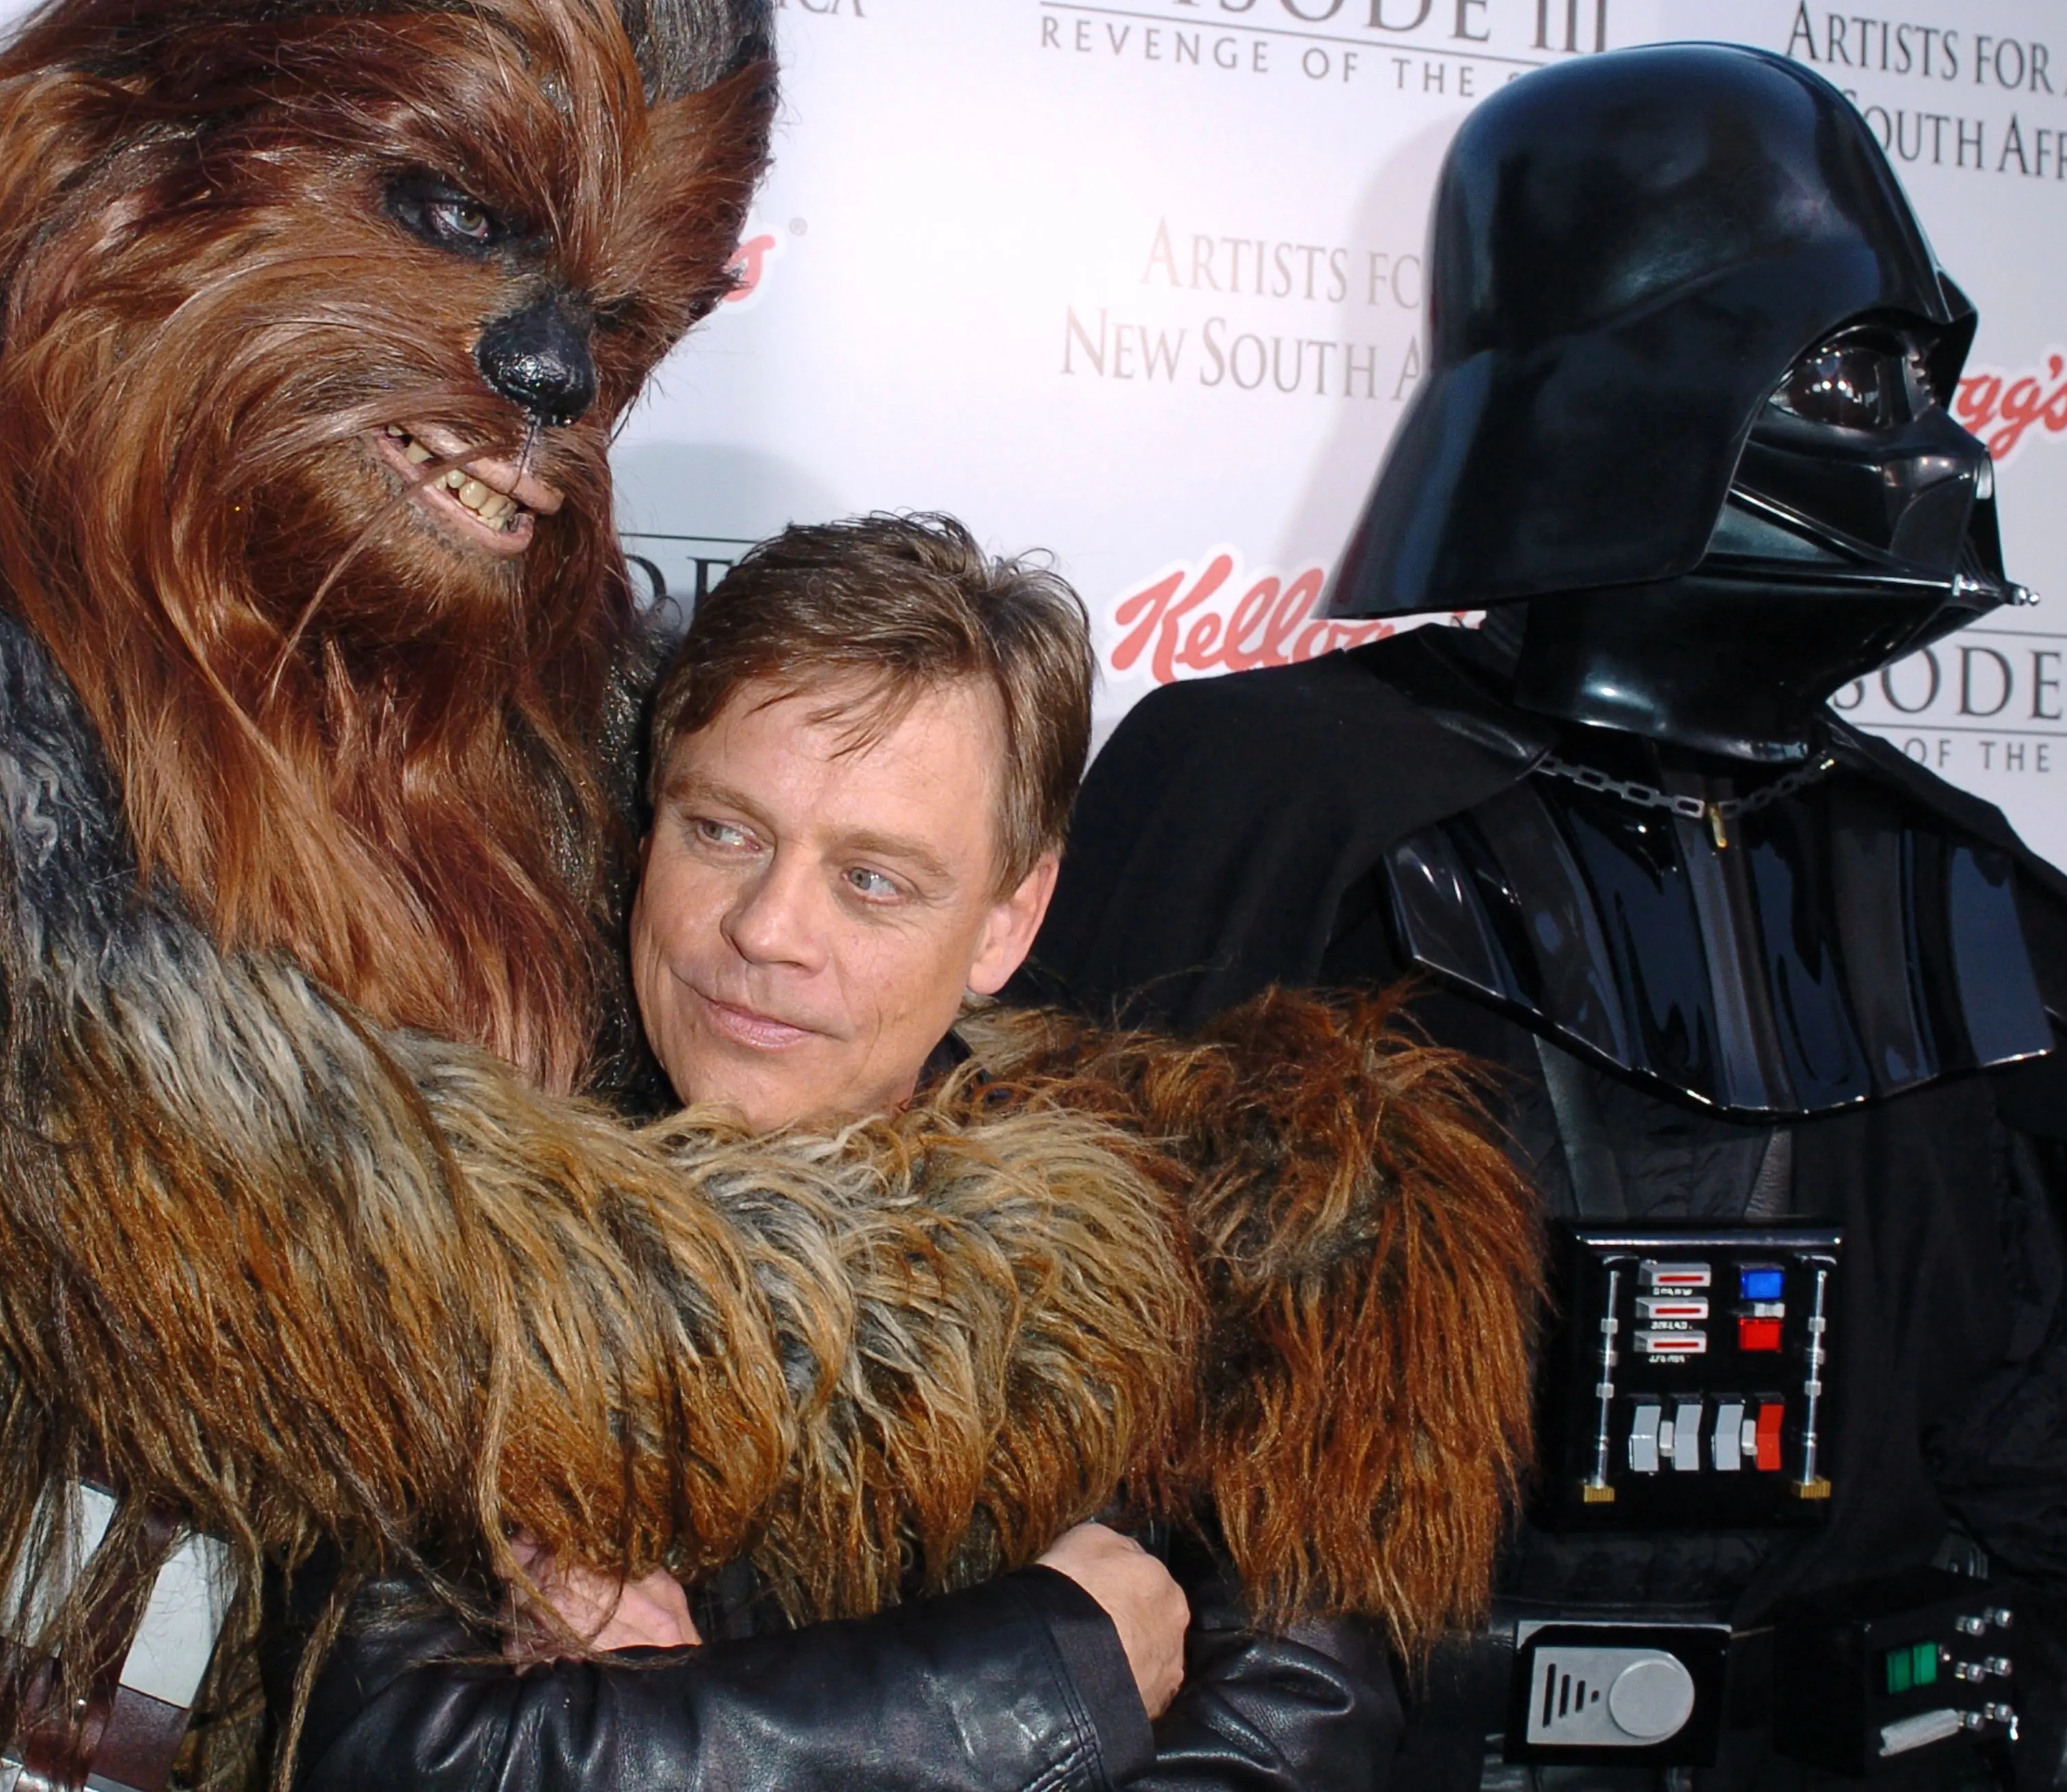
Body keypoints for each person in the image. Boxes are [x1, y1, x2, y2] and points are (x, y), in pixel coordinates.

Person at [0, 0, 1234, 1792]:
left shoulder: (488, 702)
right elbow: (378, 1275)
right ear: (135, 156)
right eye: (460, 220)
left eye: (629, 321)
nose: (565, 382)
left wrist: (1290, 1218)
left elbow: (760, 1054)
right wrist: (1059, 1287)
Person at [1029, 45, 2067, 1790]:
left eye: (1926, 376)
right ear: (1636, 386)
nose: (1946, 443)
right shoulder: (1267, 807)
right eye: (1856, 365)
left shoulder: (1962, 897)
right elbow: (1075, 1414)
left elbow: (2048, 1503)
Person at [289, 514, 1543, 1792]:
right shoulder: (450, 1216)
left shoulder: (1236, 1248)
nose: (768, 930)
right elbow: (399, 1756)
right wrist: (1051, 1670)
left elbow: (1293, 1753)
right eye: (722, 831)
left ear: (1010, 920)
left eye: (874, 881)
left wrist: (663, 1730)